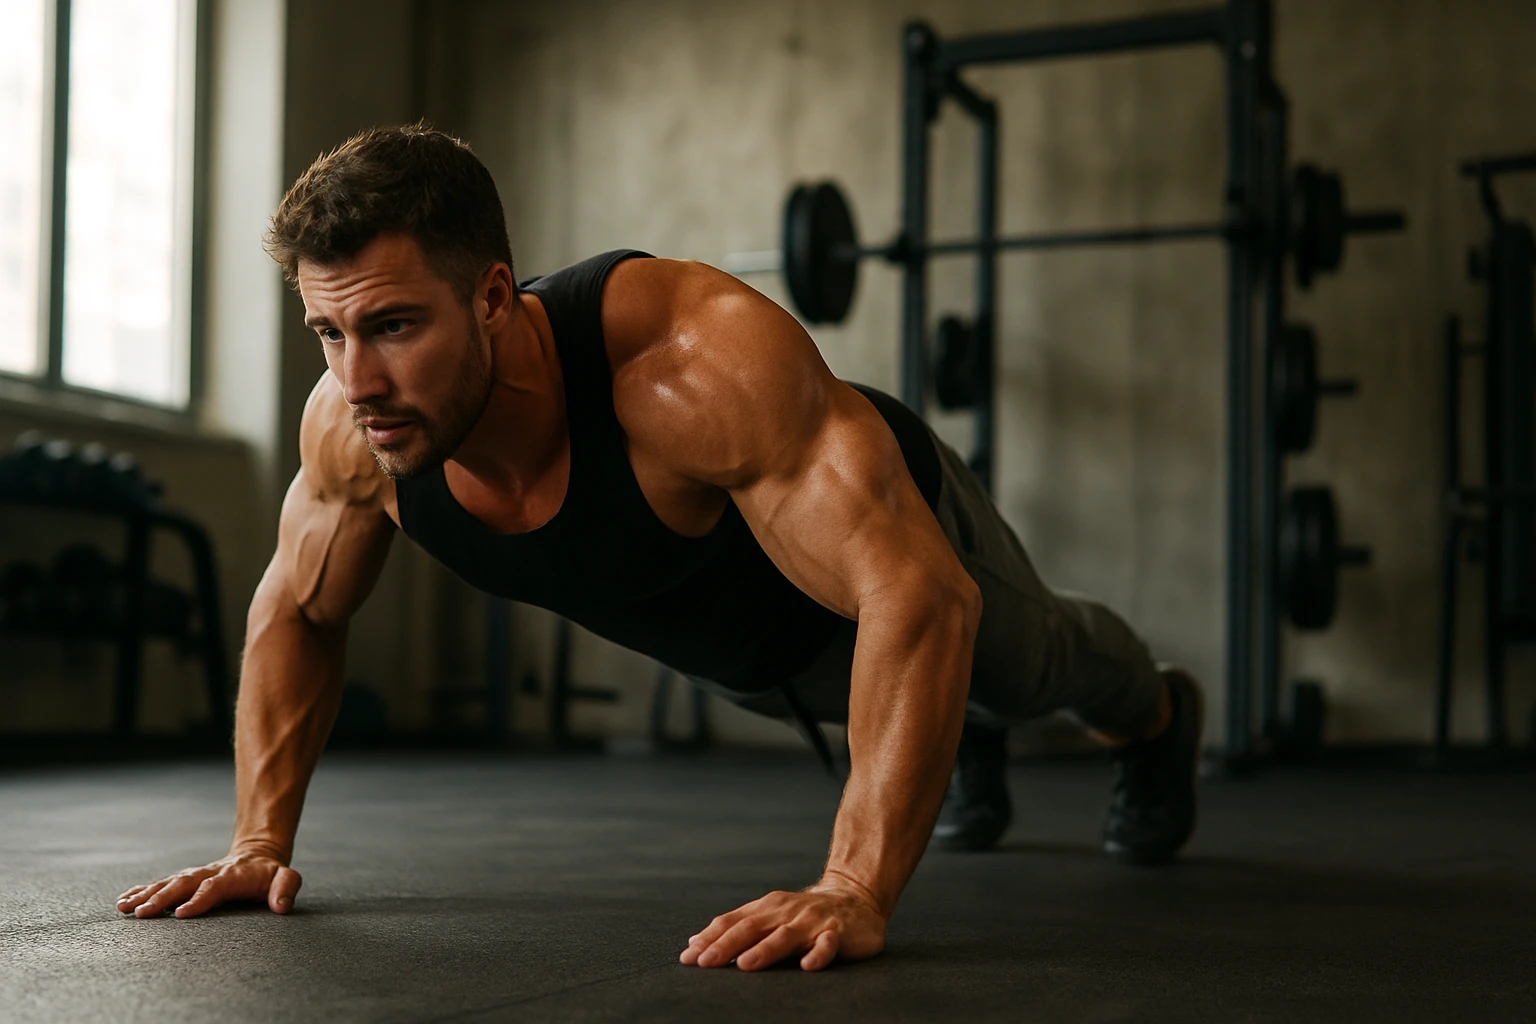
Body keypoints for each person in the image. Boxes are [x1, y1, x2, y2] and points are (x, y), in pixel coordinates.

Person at [114, 124, 1203, 973]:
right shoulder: (355, 433)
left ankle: (1155, 713)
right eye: (329, 333)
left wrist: (852, 885)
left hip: (891, 567)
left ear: (493, 296)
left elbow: (916, 597)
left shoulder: (683, 363)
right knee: (875, 694)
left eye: (395, 325)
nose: (357, 381)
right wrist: (258, 842)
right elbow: (300, 610)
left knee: (1033, 666)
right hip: (751, 655)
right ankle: (950, 732)